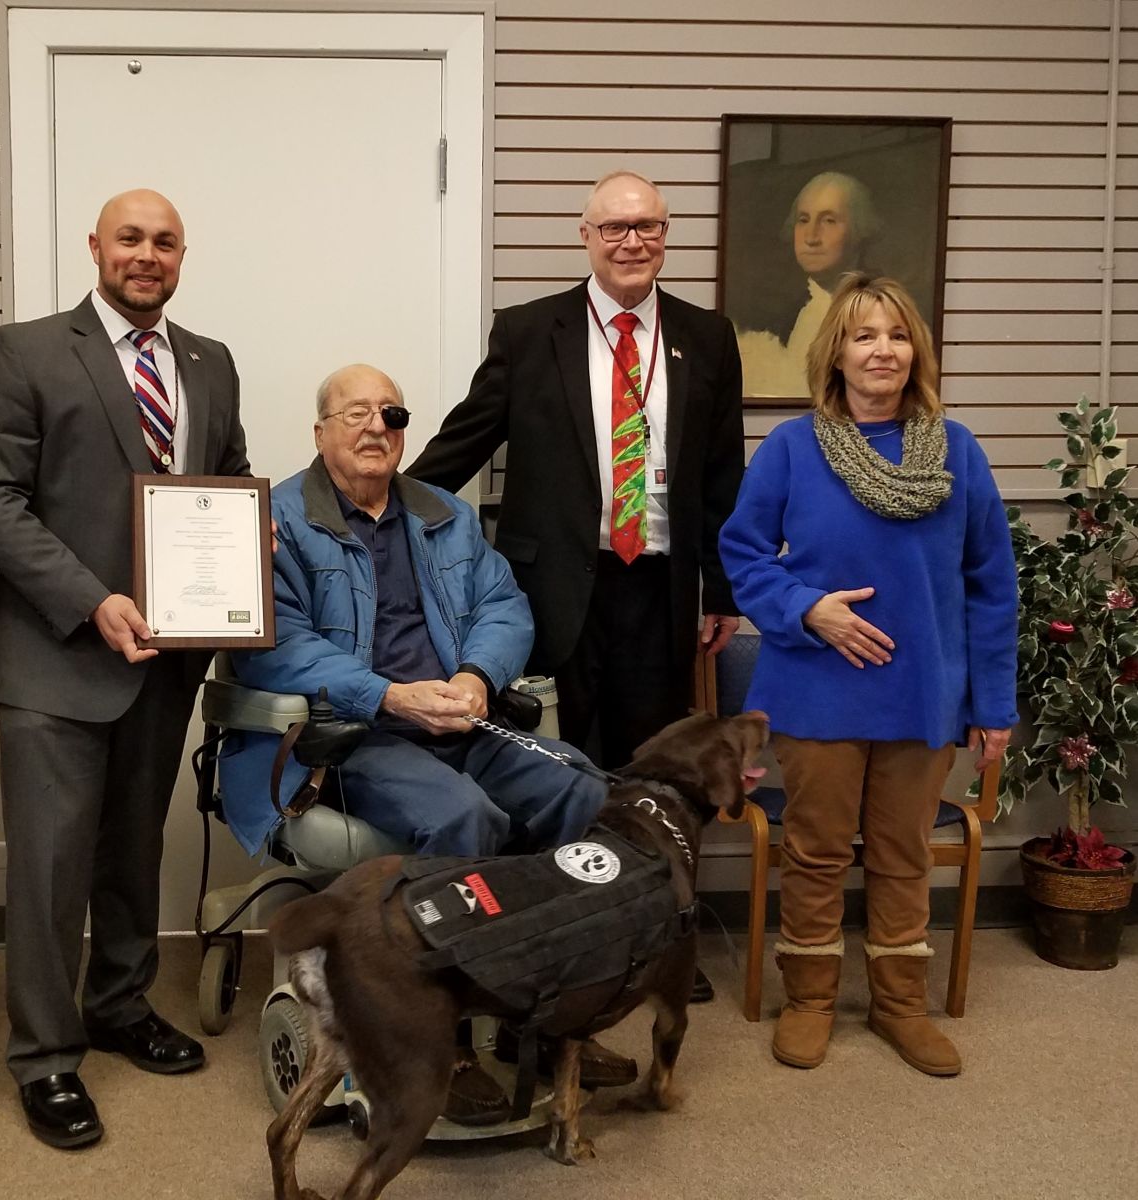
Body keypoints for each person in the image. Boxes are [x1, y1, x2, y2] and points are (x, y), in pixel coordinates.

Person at [220, 362, 634, 1126]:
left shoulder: (446, 514)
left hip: (461, 720)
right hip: (353, 737)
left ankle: (543, 1016)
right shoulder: (277, 521)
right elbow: (273, 646)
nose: (377, 426)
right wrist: (388, 693)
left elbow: (505, 607)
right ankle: (450, 1034)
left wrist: (477, 677)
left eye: (392, 413)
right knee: (464, 818)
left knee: (583, 791)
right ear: (319, 432)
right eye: (355, 413)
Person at [407, 169, 744, 1003]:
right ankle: (567, 938)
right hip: (554, 591)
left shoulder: (706, 336)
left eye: (649, 227)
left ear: (667, 234)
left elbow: (721, 473)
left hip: (663, 590)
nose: (633, 242)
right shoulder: (530, 332)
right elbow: (464, 441)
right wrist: (375, 505)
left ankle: (660, 939)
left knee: (656, 775)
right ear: (585, 236)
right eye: (615, 228)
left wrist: (723, 590)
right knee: (563, 770)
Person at [0, 189, 251, 1150]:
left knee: (133, 848)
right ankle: (45, 1057)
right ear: (95, 247)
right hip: (60, 656)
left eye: (165, 241)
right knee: (50, 870)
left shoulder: (210, 363)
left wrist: (248, 551)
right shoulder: (28, 351)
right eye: (130, 238)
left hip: (166, 665)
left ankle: (120, 1005)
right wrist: (91, 599)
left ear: (182, 256)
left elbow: (223, 485)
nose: (147, 254)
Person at [718, 275, 1017, 1077]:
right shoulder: (790, 448)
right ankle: (811, 999)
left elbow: (993, 585)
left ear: (914, 348)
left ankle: (898, 1006)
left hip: (923, 691)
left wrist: (993, 702)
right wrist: (808, 608)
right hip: (817, 686)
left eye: (895, 334)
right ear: (836, 353)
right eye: (862, 335)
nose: (881, 349)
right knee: (814, 851)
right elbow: (743, 555)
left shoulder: (956, 450)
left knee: (902, 852)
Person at [737, 171, 881, 397]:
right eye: (803, 220)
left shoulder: (879, 312)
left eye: (829, 220)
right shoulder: (782, 315)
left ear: (858, 229)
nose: (811, 236)